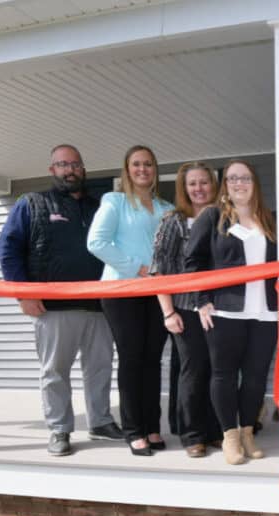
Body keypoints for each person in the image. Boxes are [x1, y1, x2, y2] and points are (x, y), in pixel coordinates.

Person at [0, 144, 123, 457]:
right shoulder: (33, 203)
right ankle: (60, 429)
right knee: (55, 371)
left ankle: (101, 422)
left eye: (76, 164)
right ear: (52, 169)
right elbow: (9, 249)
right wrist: (23, 293)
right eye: (63, 164)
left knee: (100, 368)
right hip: (53, 307)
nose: (70, 170)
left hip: (99, 305)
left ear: (83, 169)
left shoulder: (100, 208)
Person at [184, 160, 277, 465]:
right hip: (225, 311)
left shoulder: (270, 220)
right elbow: (193, 261)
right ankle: (230, 437)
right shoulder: (212, 217)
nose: (239, 183)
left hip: (265, 312)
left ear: (255, 183)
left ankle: (248, 431)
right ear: (225, 184)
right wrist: (201, 300)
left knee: (255, 377)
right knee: (223, 375)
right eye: (233, 178)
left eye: (245, 177)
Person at [87, 145, 173, 457]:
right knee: (133, 359)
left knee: (153, 360)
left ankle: (152, 426)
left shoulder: (166, 207)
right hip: (122, 290)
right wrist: (138, 268)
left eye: (148, 164)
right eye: (136, 164)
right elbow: (96, 242)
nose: (142, 169)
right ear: (127, 169)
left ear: (155, 169)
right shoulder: (115, 201)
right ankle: (134, 429)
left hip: (158, 292)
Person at [152, 162, 223, 458]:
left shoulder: (225, 218)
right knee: (193, 370)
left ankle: (214, 429)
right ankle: (192, 434)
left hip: (220, 307)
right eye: (192, 184)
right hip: (185, 307)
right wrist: (168, 312)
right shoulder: (174, 221)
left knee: (217, 370)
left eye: (204, 182)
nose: (199, 189)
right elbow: (160, 270)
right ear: (184, 189)